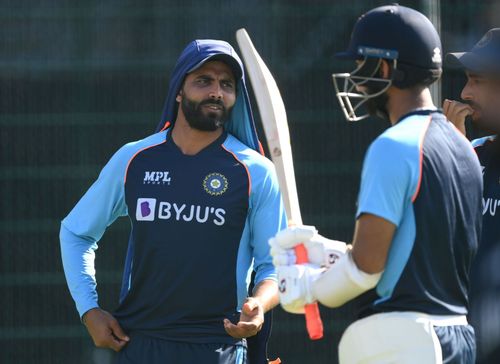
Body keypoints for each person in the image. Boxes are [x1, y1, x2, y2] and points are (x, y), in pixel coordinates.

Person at [269, 5, 482, 364]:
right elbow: (412, 256)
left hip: (406, 341)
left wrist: (307, 288)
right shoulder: (464, 147)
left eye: (360, 65)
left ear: (384, 68)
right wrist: (327, 252)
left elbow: (368, 266)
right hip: (456, 335)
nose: (355, 77)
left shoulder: (393, 146)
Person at [60, 39, 286, 364]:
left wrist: (259, 306)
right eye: (203, 81)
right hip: (139, 346)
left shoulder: (256, 172)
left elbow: (274, 265)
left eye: (227, 84)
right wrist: (89, 310)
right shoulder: (134, 159)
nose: (216, 92)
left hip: (218, 347)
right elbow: (76, 232)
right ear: (179, 90)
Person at [443, 28, 500, 364]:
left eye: (477, 80)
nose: (465, 93)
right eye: (466, 80)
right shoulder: (473, 153)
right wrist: (456, 156)